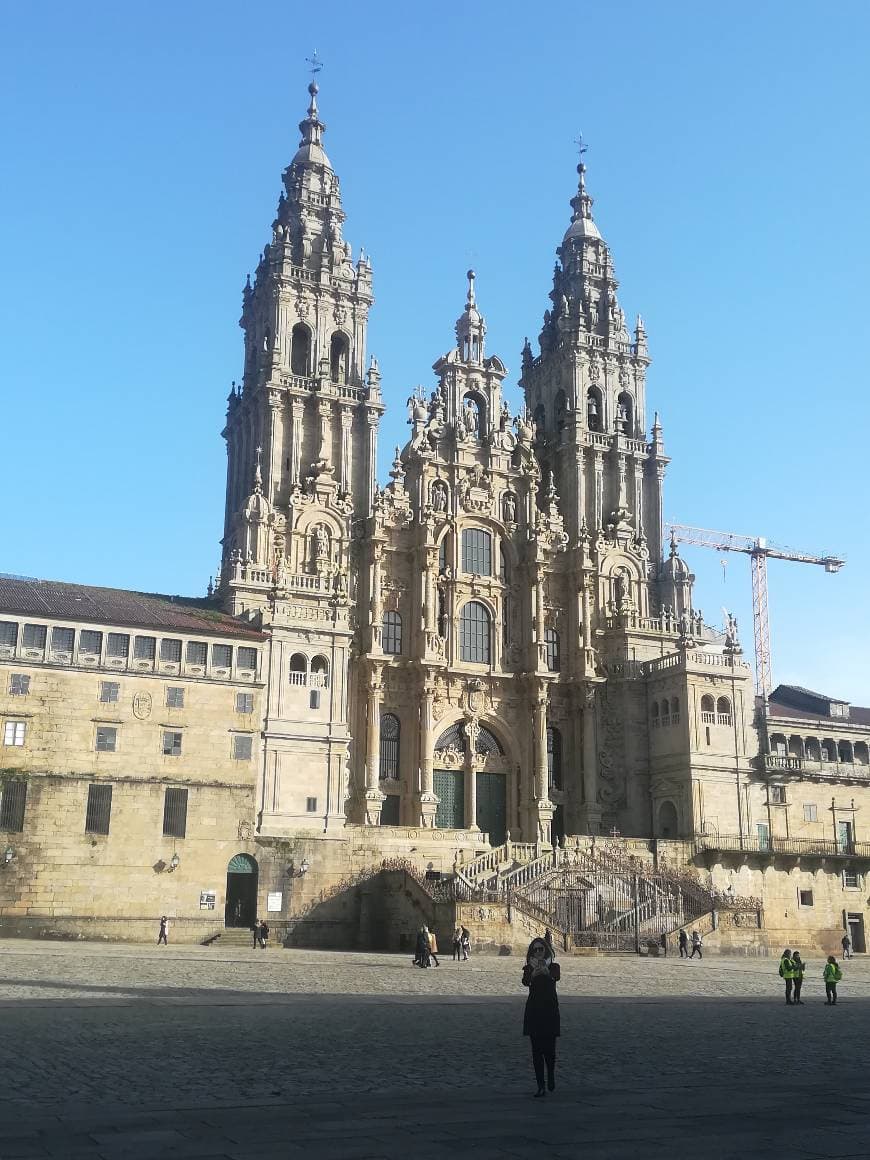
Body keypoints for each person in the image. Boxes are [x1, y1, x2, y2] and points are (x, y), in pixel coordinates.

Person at [522, 936, 561, 1098]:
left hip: (550, 1010)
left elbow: (556, 977)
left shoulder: (554, 966)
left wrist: (545, 971)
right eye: (535, 949)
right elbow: (525, 982)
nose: (538, 952)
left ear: (546, 950)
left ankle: (550, 1074)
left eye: (541, 949)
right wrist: (532, 974)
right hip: (534, 1010)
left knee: (549, 1050)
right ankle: (540, 1085)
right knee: (536, 1051)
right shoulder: (528, 967)